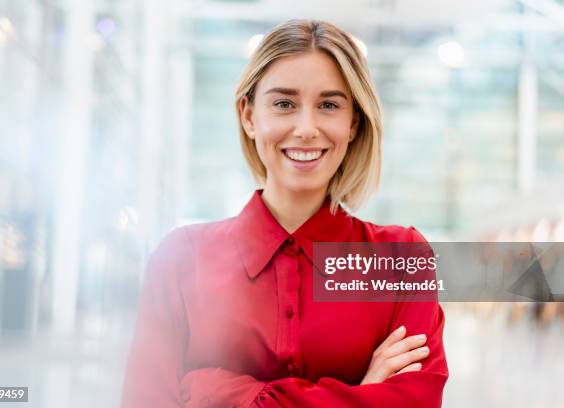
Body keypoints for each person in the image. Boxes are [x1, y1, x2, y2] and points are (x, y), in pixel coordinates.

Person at [121, 19, 448, 408]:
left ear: (353, 123)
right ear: (249, 116)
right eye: (284, 104)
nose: (306, 128)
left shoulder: (401, 260)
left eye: (328, 105)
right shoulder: (179, 260)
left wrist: (212, 393)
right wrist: (361, 396)